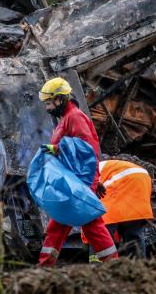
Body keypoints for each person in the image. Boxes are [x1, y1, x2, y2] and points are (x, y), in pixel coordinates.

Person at [37, 77, 118, 266]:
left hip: (76, 183)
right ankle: (44, 267)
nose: (47, 108)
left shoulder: (74, 117)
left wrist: (55, 150)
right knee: (63, 224)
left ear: (60, 99)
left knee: (88, 223)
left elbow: (84, 149)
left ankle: (114, 264)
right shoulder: (68, 118)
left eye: (49, 103)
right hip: (74, 182)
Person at [89, 159, 154, 259]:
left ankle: (98, 268)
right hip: (142, 179)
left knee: (100, 232)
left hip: (123, 179)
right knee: (134, 233)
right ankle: (139, 269)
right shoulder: (94, 166)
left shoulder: (82, 173)